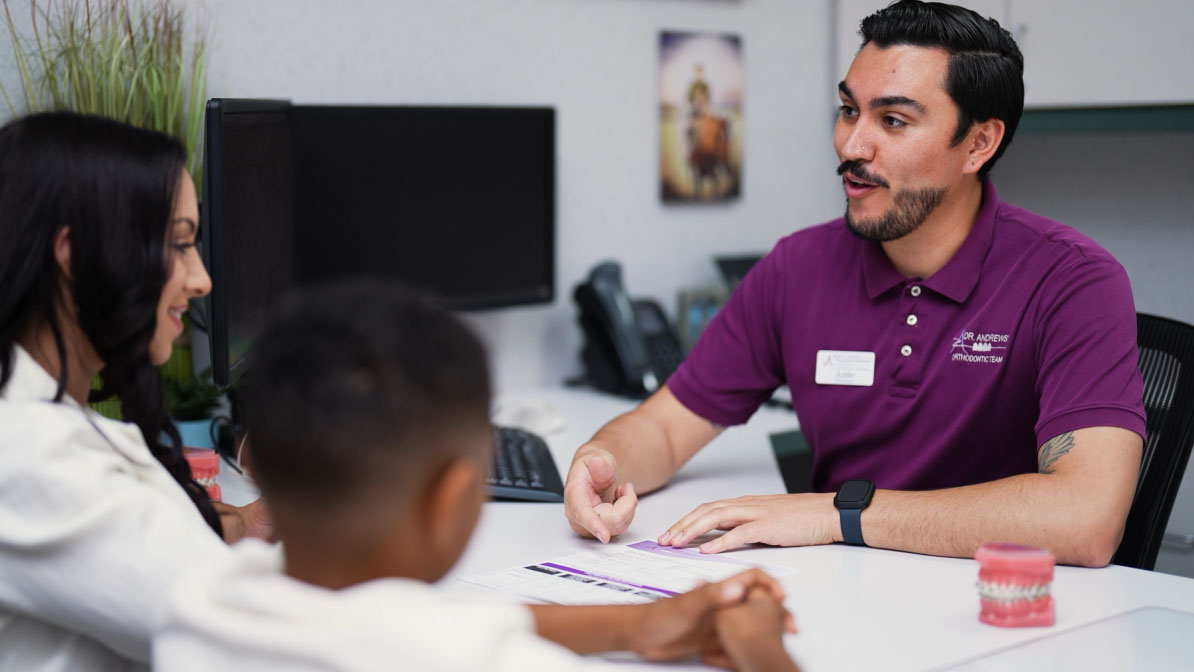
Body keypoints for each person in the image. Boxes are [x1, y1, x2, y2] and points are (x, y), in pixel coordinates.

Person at [564, 0, 1145, 568]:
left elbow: (1086, 518)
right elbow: (666, 428)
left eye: (893, 121)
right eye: (849, 110)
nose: (851, 146)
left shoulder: (1073, 281)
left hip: (1004, 610)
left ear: (978, 144)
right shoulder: (798, 267)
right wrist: (603, 460)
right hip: (841, 598)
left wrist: (836, 515)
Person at [154, 281, 801, 672]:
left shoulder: (202, 603)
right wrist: (762, 650)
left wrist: (640, 624)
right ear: (455, 500)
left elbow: (418, 623)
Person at [0, 112, 270, 670]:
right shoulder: (29, 457)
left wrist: (251, 522)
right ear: (72, 256)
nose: (200, 280)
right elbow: (244, 634)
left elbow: (138, 542)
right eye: (177, 245)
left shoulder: (45, 420)